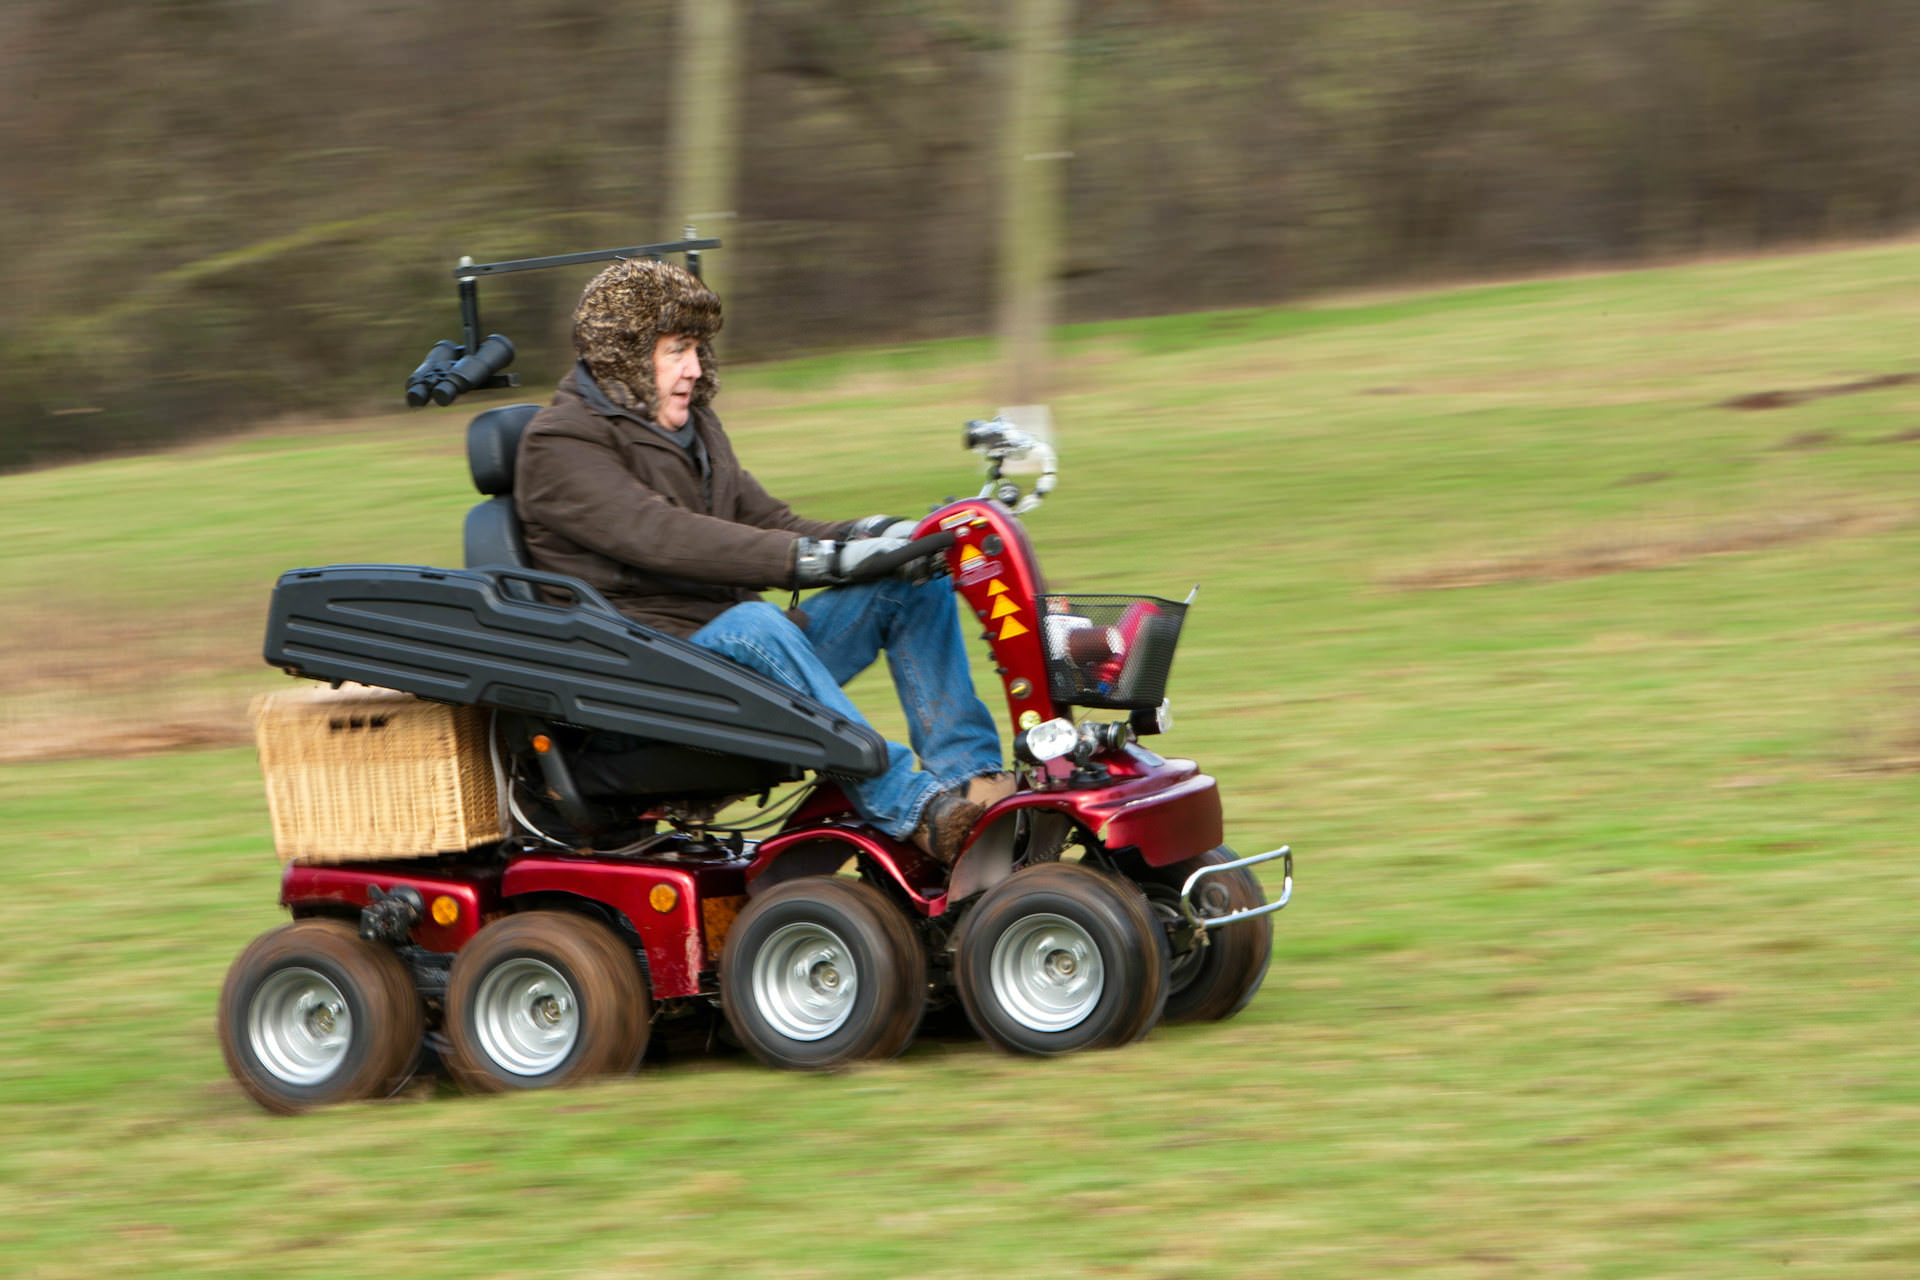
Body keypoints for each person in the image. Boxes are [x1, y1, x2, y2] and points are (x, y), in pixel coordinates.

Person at [514, 257, 1012, 863]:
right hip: (645, 685)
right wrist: (815, 561)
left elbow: (771, 521)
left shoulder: (693, 429)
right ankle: (917, 810)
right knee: (757, 626)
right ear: (622, 351)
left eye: (697, 349)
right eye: (676, 350)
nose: (694, 369)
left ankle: (972, 783)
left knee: (912, 581)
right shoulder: (560, 445)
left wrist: (882, 536)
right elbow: (666, 536)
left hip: (735, 665)